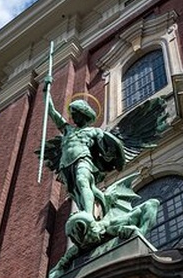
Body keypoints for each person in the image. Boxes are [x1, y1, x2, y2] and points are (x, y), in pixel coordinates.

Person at [44, 88, 124, 218]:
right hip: (66, 165)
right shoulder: (67, 129)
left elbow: (104, 150)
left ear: (83, 114)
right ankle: (103, 200)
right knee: (76, 192)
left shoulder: (94, 131)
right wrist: (46, 92)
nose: (73, 117)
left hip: (83, 159)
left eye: (75, 113)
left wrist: (110, 156)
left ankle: (88, 214)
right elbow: (52, 111)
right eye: (72, 114)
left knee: (82, 181)